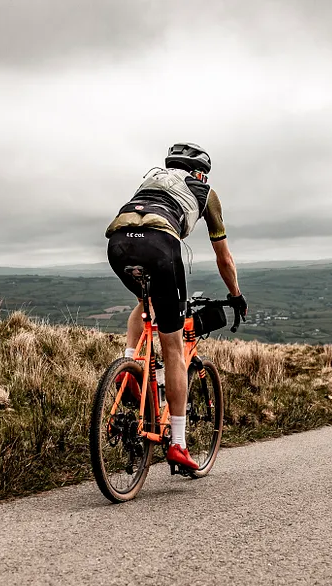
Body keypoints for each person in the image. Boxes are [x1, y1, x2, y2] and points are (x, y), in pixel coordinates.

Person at [106, 143, 246, 471]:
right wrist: (236, 294)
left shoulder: (152, 179)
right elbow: (223, 257)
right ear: (200, 172)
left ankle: (128, 368)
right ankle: (179, 445)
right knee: (172, 346)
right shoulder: (205, 192)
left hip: (118, 243)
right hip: (159, 244)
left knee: (146, 303)